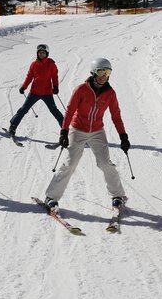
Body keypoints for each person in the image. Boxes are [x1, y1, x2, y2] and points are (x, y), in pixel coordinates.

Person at [43, 58, 131, 214]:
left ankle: (118, 196)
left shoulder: (110, 93)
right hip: (77, 129)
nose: (104, 76)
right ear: (93, 72)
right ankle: (51, 197)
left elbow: (116, 116)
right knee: (70, 164)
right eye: (101, 72)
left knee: (105, 164)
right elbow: (70, 110)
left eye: (108, 72)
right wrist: (64, 132)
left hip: (97, 131)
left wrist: (123, 136)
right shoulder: (81, 89)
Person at [7, 44, 64, 136]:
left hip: (47, 93)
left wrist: (56, 86)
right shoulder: (34, 64)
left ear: (47, 54)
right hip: (34, 92)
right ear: (37, 54)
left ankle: (66, 130)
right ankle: (13, 126)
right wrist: (24, 86)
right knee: (24, 109)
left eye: (43, 53)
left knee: (54, 111)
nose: (41, 54)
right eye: (40, 53)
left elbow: (54, 76)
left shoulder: (51, 64)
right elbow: (29, 76)